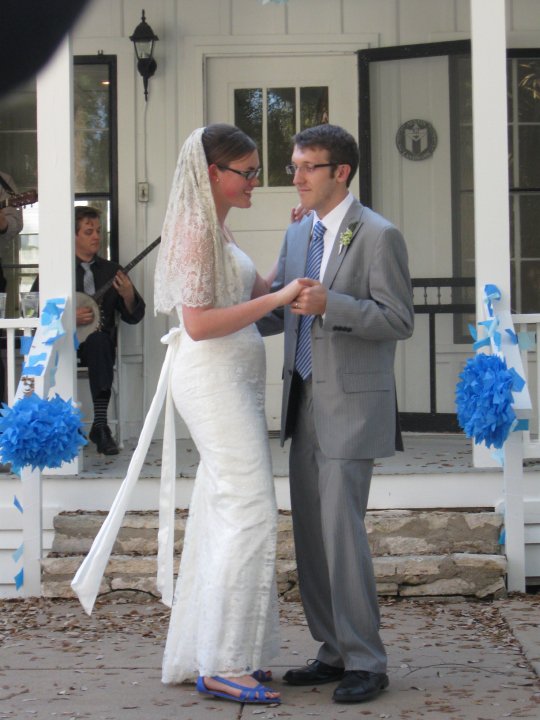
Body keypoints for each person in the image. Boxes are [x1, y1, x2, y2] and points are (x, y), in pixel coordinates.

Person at [258, 124, 414, 704]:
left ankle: (367, 661)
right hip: (301, 402)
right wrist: (217, 309)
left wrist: (334, 305)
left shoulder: (379, 234)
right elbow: (278, 309)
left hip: (350, 407)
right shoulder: (299, 232)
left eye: (308, 166)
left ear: (340, 171)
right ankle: (332, 650)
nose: (296, 177)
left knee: (342, 536)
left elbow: (398, 319)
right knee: (310, 536)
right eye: (295, 165)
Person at [149, 124, 304, 705]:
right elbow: (198, 324)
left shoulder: (219, 227)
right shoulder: (194, 230)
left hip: (235, 381)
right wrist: (277, 299)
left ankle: (209, 649)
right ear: (213, 173)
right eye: (247, 172)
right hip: (212, 381)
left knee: (223, 511)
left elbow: (256, 291)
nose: (255, 182)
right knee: (251, 510)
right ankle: (224, 663)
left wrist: (291, 244)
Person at [33, 206, 146, 455]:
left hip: (99, 347)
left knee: (99, 341)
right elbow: (34, 312)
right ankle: (61, 426)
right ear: (73, 235)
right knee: (87, 343)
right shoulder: (54, 271)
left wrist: (128, 294)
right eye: (88, 231)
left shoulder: (112, 271)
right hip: (63, 346)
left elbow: (134, 316)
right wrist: (67, 318)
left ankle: (100, 425)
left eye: (98, 230)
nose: (96, 236)